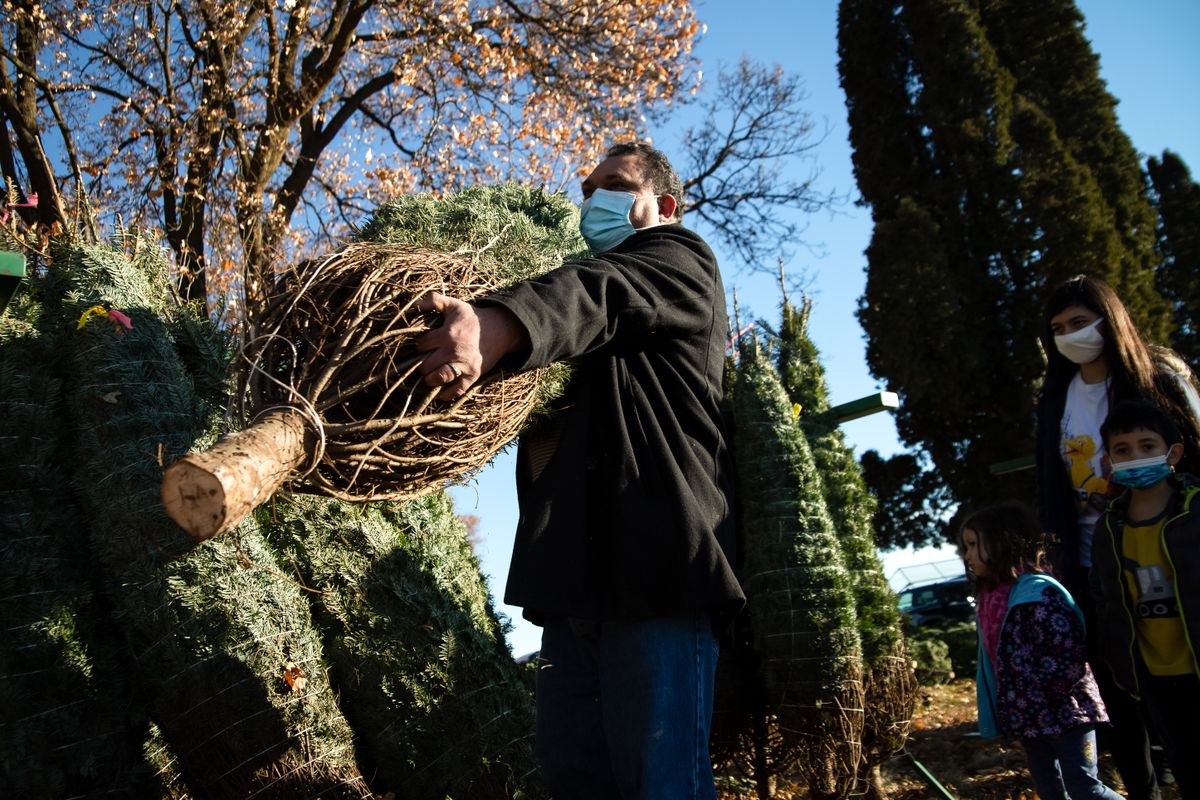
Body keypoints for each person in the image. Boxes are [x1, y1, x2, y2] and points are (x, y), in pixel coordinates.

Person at [414, 142, 744, 799]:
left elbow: (602, 290)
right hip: (573, 594)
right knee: (575, 783)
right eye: (588, 190)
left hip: (658, 576)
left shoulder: (680, 260)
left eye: (614, 185)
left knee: (661, 785)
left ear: (664, 206)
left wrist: (497, 324)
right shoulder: (576, 319)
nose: (594, 201)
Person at [1036, 274, 1200, 798]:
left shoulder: (1159, 378)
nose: (1069, 335)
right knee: (1117, 695)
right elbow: (1051, 480)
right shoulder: (1055, 395)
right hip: (1091, 563)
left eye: (1080, 322)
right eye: (1058, 327)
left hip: (1168, 555)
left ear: (1111, 320)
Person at [961, 501, 1123, 800]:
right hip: (1029, 719)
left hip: (1067, 713)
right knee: (1050, 790)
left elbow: (1068, 651)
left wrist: (1045, 695)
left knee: (1084, 787)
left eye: (972, 544)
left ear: (1002, 541)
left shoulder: (1037, 592)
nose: (967, 555)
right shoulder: (991, 600)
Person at [1091, 400, 1200, 797]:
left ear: (1173, 453)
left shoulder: (1195, 510)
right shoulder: (1109, 528)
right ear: (1108, 460)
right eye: (1123, 450)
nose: (1135, 456)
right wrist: (1121, 663)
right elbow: (1104, 597)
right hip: (1154, 679)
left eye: (1147, 445)